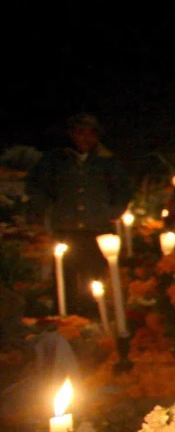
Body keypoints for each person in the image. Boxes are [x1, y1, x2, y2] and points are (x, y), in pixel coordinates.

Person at [26, 113, 131, 314]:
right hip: (66, 227)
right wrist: (48, 208)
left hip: (97, 229)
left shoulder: (106, 162)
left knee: (94, 276)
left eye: (90, 134)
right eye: (79, 133)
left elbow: (123, 190)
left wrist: (111, 212)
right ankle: (64, 316)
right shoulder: (55, 160)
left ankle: (93, 315)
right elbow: (35, 186)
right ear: (71, 134)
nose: (84, 139)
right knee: (65, 275)